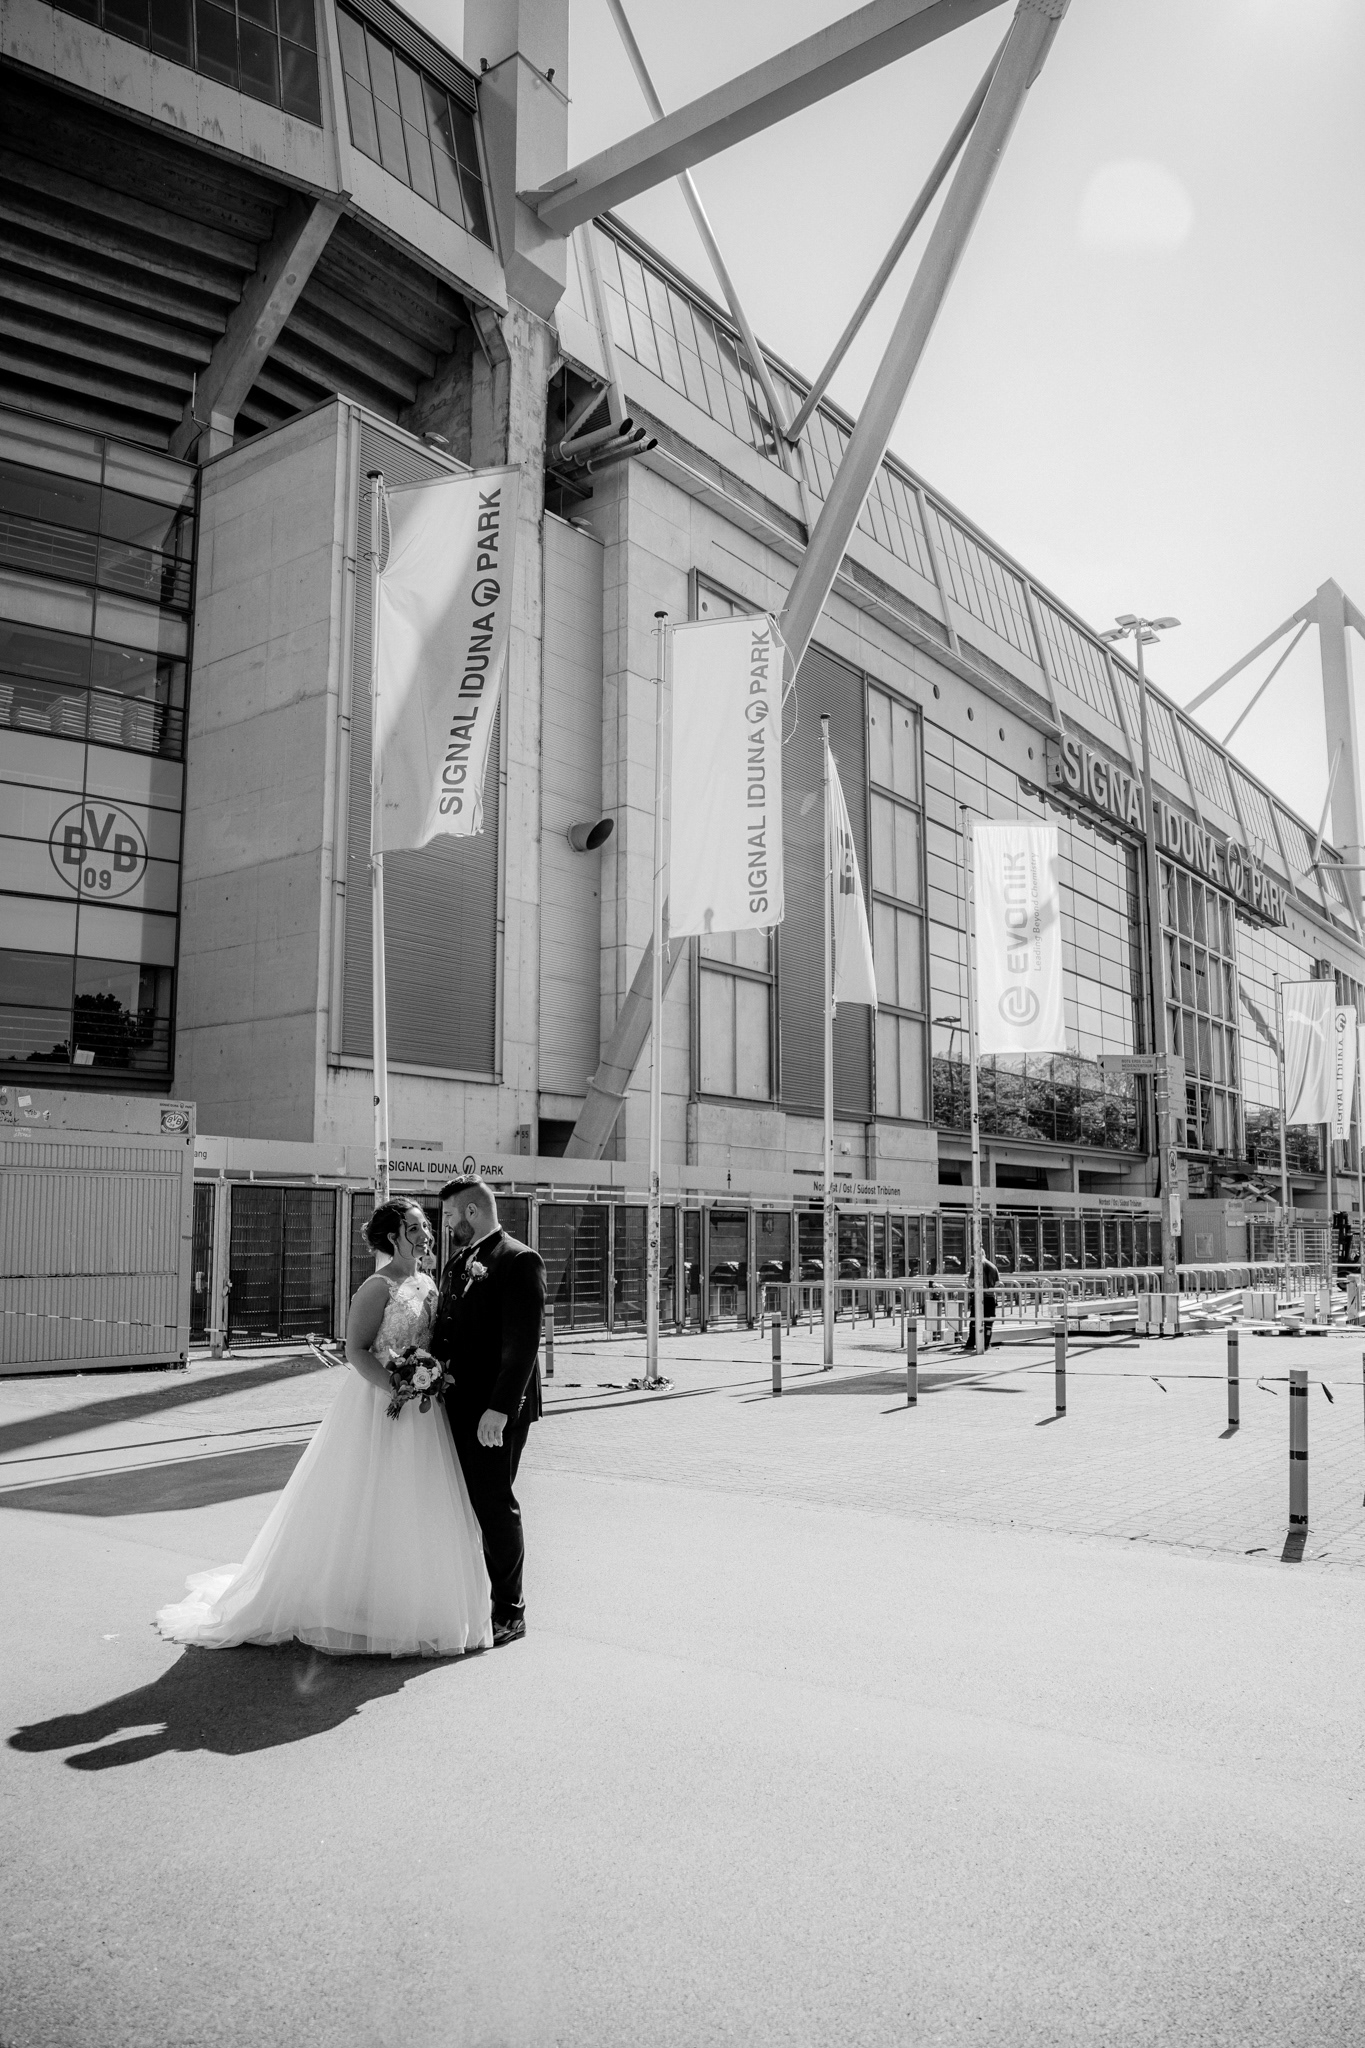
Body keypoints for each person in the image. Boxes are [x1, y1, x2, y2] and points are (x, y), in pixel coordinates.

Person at [155, 1200, 491, 1658]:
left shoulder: (428, 1282)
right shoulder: (378, 1286)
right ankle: (347, 1602)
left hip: (422, 1412)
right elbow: (356, 1351)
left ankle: (403, 1601)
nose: (426, 1234)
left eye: (426, 1226)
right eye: (415, 1228)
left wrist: (426, 1379)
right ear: (393, 1237)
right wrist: (396, 1385)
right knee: (362, 1499)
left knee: (410, 1502)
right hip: (378, 1404)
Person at [430, 1176, 545, 1649]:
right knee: (467, 1503)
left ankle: (510, 1610)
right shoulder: (459, 1261)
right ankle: (475, 1598)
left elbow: (522, 1344)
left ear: (472, 1212)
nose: (448, 1223)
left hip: (495, 1411)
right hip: (457, 1402)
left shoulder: (518, 1259)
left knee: (494, 1504)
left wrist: (500, 1408)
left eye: (452, 1214)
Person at [962, 1252, 1000, 1354]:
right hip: (990, 1297)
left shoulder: (976, 1265)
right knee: (989, 1321)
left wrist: (969, 1287)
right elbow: (997, 1283)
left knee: (974, 1320)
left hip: (979, 1297)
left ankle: (971, 1343)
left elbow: (971, 1283)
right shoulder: (993, 1266)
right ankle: (986, 1343)